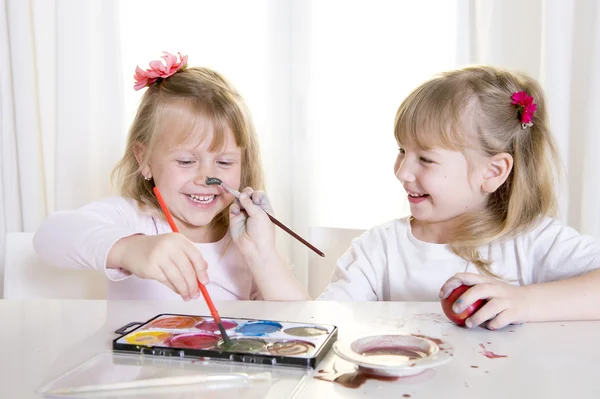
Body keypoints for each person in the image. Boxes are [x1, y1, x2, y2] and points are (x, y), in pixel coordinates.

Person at [319, 65, 600, 329]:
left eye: (426, 159)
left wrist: (525, 302)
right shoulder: (379, 248)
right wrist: (271, 259)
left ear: (492, 171)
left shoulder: (531, 241)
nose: (402, 172)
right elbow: (319, 323)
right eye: (402, 151)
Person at [34, 52, 308, 301]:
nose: (207, 177)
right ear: (144, 159)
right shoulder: (132, 219)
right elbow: (49, 237)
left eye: (224, 162)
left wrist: (263, 254)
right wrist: (131, 249)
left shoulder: (243, 242)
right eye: (187, 160)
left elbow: (304, 323)